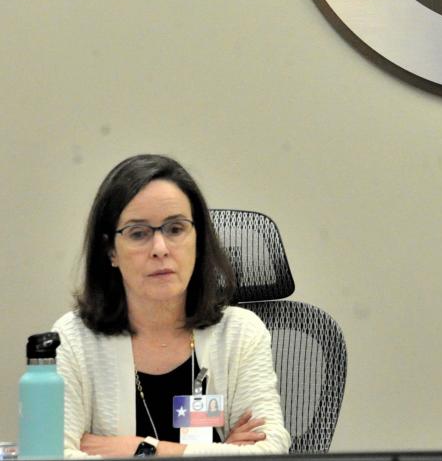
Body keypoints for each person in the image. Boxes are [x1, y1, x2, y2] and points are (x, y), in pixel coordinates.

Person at [54, 154, 291, 457]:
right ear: (110, 250)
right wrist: (223, 452)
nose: (160, 249)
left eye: (175, 229)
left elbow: (269, 451)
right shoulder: (73, 339)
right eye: (138, 233)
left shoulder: (241, 333)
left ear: (198, 238)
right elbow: (54, 454)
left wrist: (143, 449)